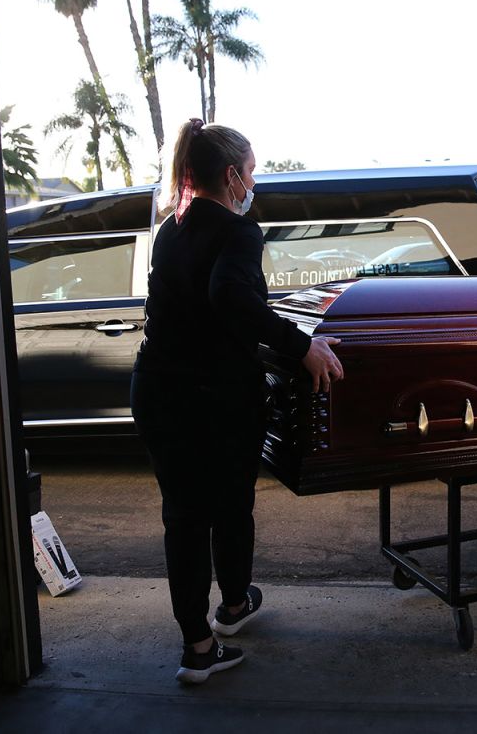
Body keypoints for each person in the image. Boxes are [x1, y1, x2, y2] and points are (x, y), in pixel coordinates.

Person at [131, 118, 344, 684]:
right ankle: (227, 612)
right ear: (231, 176)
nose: (254, 182)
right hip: (212, 399)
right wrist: (304, 349)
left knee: (183, 515)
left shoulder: (169, 231)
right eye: (251, 172)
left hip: (156, 389)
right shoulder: (238, 232)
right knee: (229, 505)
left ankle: (199, 644)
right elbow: (230, 297)